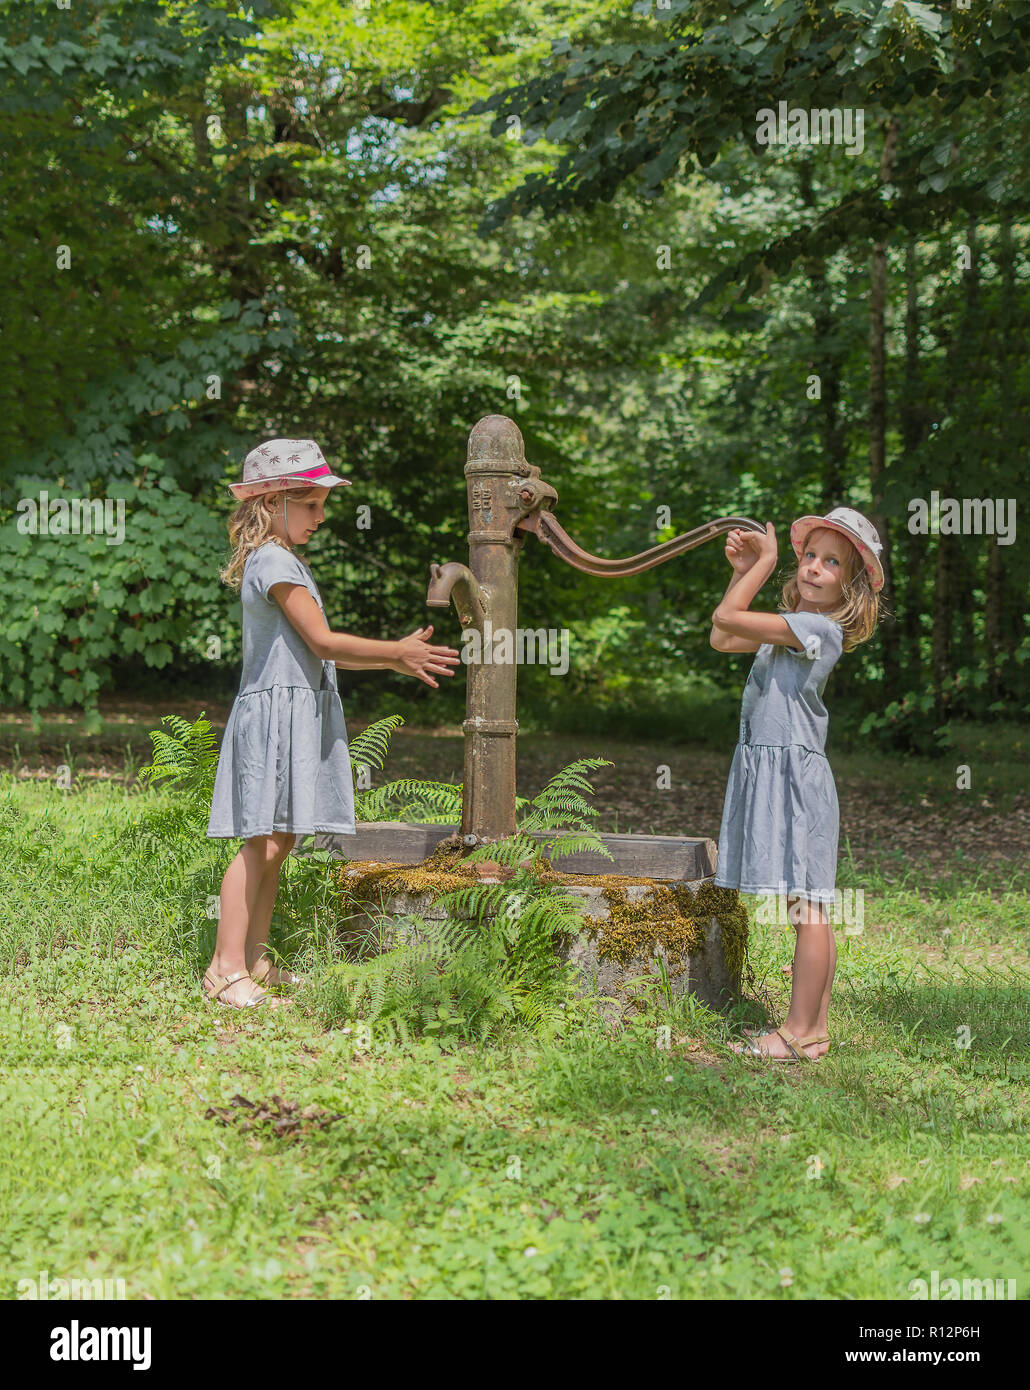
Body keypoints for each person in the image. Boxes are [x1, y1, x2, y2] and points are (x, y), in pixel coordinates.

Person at [203, 438, 460, 1008]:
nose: (321, 517)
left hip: (298, 710)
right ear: (272, 501)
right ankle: (224, 969)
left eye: (324, 505)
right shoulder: (272, 560)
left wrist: (394, 655)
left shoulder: (285, 559)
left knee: (283, 837)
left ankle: (255, 959)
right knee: (261, 843)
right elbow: (322, 643)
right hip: (274, 714)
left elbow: (321, 652)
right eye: (312, 504)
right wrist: (394, 653)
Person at [709, 507, 884, 1061]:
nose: (812, 567)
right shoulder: (791, 627)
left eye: (830, 562)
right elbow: (722, 634)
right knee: (804, 906)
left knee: (806, 909)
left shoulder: (815, 630)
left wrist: (761, 562)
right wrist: (743, 570)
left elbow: (728, 615)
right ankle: (815, 1031)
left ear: (850, 587)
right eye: (809, 556)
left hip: (797, 782)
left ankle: (796, 1031)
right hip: (786, 774)